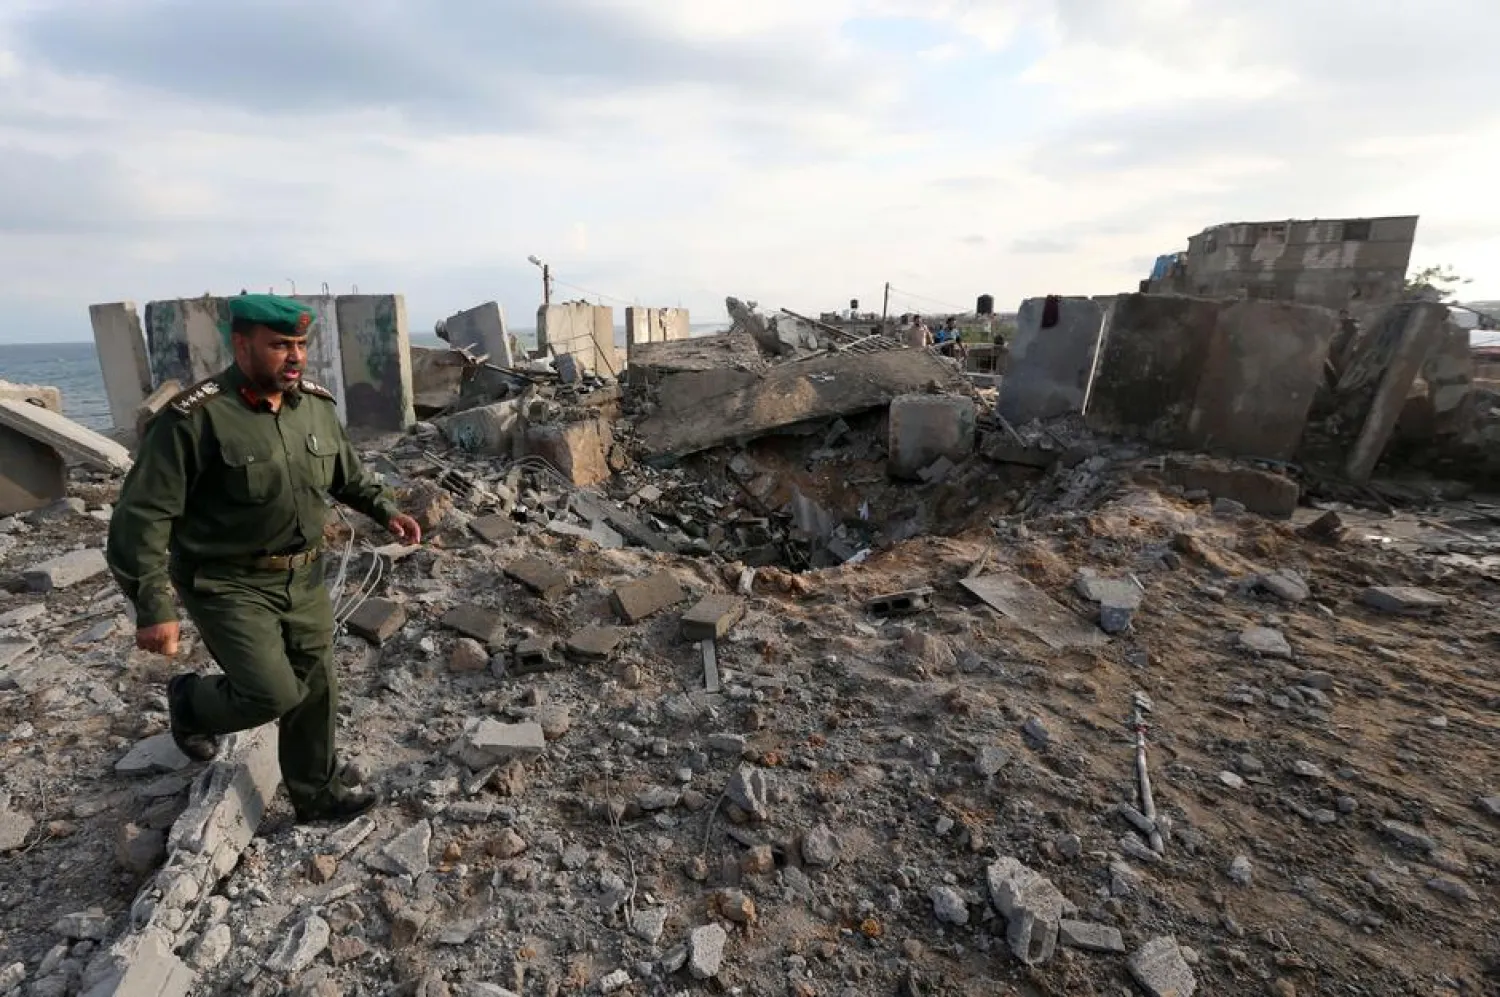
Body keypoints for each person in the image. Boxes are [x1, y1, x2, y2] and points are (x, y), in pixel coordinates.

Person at [107, 293, 422, 824]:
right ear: (242, 344)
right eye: (279, 345)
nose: (295, 356)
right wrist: (153, 603)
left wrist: (385, 509)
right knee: (270, 693)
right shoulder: (195, 418)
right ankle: (189, 702)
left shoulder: (316, 408)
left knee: (316, 686)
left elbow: (347, 475)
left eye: (300, 344)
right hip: (226, 582)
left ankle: (316, 793)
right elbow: (141, 516)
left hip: (303, 576)